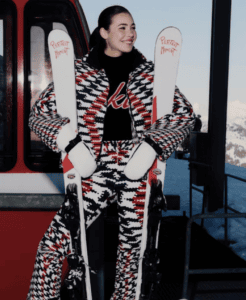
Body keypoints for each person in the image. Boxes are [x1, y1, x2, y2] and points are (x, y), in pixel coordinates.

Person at [26, 5, 195, 300]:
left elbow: (185, 115)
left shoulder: (149, 73)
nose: (131, 34)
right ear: (104, 33)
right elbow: (38, 115)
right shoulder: (78, 72)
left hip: (136, 164)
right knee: (53, 245)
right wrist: (69, 140)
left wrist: (152, 144)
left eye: (133, 27)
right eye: (122, 27)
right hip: (94, 164)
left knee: (133, 256)